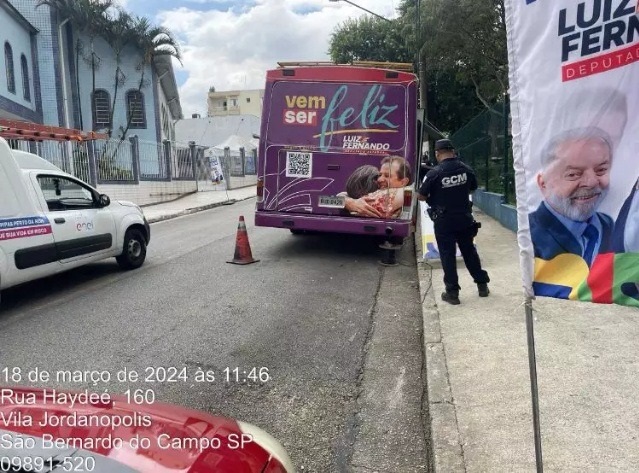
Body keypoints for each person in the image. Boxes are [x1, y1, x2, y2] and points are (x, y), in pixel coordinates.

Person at [529, 127, 616, 269]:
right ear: (543, 183)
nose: (592, 182)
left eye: (601, 170)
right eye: (573, 174)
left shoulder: (607, 224)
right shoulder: (529, 235)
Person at [417, 139, 490, 305]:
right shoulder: (466, 169)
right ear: (453, 151)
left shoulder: (434, 173)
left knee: (447, 255)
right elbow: (472, 187)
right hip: (464, 217)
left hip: (444, 221)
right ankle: (482, 285)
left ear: (437, 153)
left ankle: (452, 293)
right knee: (469, 251)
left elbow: (422, 196)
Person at [343, 156, 411, 217]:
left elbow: (333, 201)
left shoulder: (395, 195)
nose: (379, 179)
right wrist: (350, 201)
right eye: (380, 175)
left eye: (387, 176)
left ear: (403, 182)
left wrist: (348, 202)